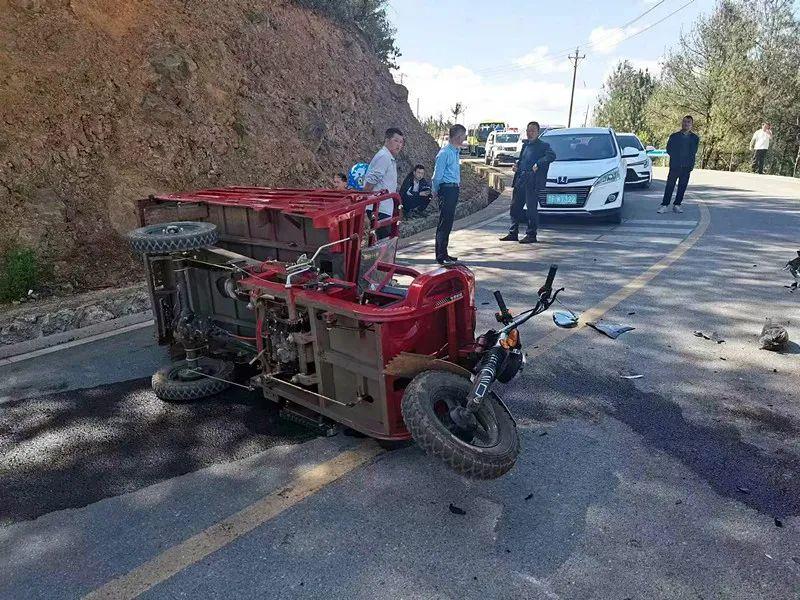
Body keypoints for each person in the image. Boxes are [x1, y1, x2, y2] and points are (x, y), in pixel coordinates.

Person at [499, 121, 555, 243]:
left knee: (531, 209)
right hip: (521, 178)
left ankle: (531, 234)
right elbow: (522, 159)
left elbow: (552, 156)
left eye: (532, 131)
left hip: (533, 180)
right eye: (528, 131)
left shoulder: (543, 145)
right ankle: (513, 232)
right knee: (515, 207)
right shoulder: (525, 145)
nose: (530, 133)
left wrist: (538, 164)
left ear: (538, 132)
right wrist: (517, 166)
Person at [431, 124, 466, 265]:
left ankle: (444, 252)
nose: (464, 139)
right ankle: (440, 254)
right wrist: (435, 190)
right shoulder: (445, 153)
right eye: (463, 136)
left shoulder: (455, 152)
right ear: (458, 137)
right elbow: (437, 176)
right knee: (444, 222)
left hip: (453, 189)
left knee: (449, 222)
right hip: (446, 189)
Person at [363, 128, 404, 239]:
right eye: (396, 141)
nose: (399, 145)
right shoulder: (384, 157)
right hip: (378, 208)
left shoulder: (389, 158)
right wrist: (364, 203)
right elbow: (371, 181)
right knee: (384, 242)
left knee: (385, 242)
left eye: (401, 142)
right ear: (387, 140)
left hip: (385, 207)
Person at [658, 115, 700, 214]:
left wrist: (690, 164)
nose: (686, 124)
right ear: (682, 123)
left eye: (688, 122)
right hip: (675, 166)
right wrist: (676, 158)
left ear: (691, 125)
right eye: (684, 121)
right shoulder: (674, 136)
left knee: (682, 187)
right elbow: (669, 149)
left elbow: (694, 152)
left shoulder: (695, 138)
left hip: (687, 166)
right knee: (670, 186)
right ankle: (664, 205)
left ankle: (677, 205)